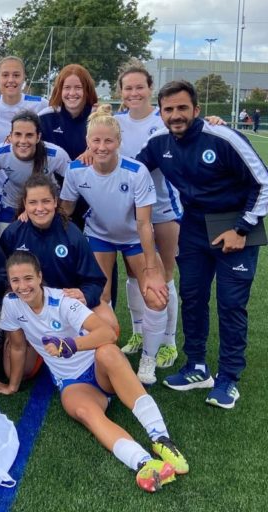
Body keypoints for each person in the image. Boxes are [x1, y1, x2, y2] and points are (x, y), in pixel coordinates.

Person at [0, 251, 188, 493]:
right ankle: (144, 463)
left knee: (108, 352)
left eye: (28, 278)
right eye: (16, 280)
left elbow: (106, 333)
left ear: (40, 277)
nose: (23, 286)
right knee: (85, 412)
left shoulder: (63, 302)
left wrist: (70, 345)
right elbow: (19, 346)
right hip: (73, 383)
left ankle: (161, 438)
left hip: (99, 369)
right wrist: (13, 385)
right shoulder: (11, 304)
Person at [136, 80, 268, 409]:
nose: (176, 115)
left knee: (230, 303)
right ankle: (197, 366)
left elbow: (263, 183)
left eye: (183, 108)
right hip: (194, 227)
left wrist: (242, 228)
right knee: (193, 297)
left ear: (197, 110)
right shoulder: (159, 143)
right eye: (169, 109)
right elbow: (133, 171)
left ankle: (228, 378)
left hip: (236, 225)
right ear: (161, 113)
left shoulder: (221, 138)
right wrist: (95, 157)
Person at [60, 105, 169, 386]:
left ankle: (148, 358)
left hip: (134, 236)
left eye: (108, 140)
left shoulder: (136, 171)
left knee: (155, 295)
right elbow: (65, 211)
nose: (102, 146)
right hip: (99, 236)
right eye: (96, 140)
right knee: (98, 298)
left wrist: (152, 267)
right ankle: (100, 351)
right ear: (87, 142)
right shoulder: (76, 170)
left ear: (118, 142)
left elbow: (145, 224)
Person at [114, 64, 182, 369]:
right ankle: (140, 332)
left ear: (150, 88)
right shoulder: (115, 122)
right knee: (134, 275)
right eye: (128, 88)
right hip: (128, 211)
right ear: (120, 92)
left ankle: (168, 341)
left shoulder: (164, 119)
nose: (134, 93)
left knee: (163, 276)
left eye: (139, 87)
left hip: (162, 209)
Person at [0, 174, 117, 332]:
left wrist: (85, 295)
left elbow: (95, 281)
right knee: (15, 340)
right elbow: (1, 273)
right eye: (33, 202)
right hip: (29, 300)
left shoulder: (73, 235)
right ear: (24, 205)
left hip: (65, 302)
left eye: (46, 201)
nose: (40, 208)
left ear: (55, 202)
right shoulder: (14, 233)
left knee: (110, 325)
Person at [0, 111, 70, 234]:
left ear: (38, 137)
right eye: (18, 134)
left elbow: (73, 180)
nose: (23, 141)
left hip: (42, 206)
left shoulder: (56, 155)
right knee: (5, 241)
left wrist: (59, 206)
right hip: (12, 203)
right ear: (10, 136)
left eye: (29, 135)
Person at [0, 56, 48, 147]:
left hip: (32, 161)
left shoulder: (41, 104)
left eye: (16, 75)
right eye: (5, 75)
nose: (11, 80)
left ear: (24, 77)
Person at [39, 64, 98, 161]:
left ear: (87, 90)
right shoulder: (45, 117)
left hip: (87, 174)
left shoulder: (98, 117)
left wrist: (93, 151)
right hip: (51, 176)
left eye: (78, 87)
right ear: (59, 90)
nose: (72, 93)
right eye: (67, 87)